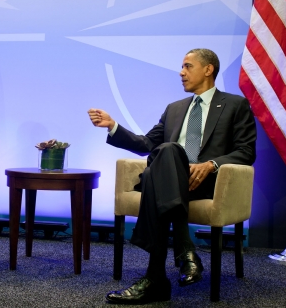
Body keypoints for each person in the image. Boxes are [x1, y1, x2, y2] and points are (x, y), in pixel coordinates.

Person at [88, 48, 256, 304]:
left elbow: (246, 151)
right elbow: (146, 143)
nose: (181, 72)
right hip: (168, 177)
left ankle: (155, 278)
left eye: (188, 66)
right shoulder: (174, 109)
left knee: (164, 162)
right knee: (167, 150)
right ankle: (184, 249)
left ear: (208, 69)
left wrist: (211, 164)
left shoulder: (235, 104)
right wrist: (113, 126)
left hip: (204, 182)